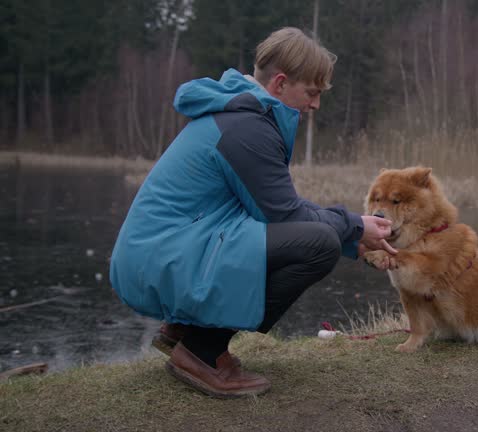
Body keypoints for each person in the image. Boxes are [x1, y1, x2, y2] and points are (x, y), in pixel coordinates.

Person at [109, 27, 396, 398]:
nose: (315, 105)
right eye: (311, 93)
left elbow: (278, 206)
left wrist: (353, 230)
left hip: (158, 252)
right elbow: (286, 216)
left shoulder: (240, 112)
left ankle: (183, 330)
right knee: (318, 246)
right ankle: (200, 351)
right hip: (159, 258)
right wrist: (351, 228)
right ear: (279, 84)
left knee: (320, 237)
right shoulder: (247, 126)